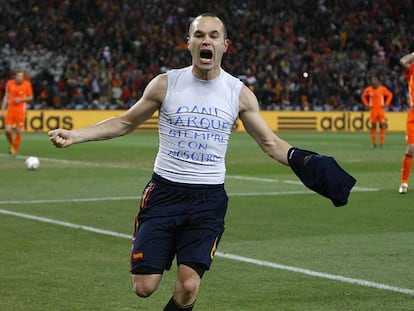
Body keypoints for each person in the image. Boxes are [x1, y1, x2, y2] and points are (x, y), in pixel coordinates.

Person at [48, 13, 355, 310]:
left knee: (187, 287)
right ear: (189, 43)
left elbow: (270, 144)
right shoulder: (166, 84)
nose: (205, 40)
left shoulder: (239, 94)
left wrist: (306, 162)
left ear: (225, 45)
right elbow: (125, 122)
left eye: (213, 35)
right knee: (144, 287)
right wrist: (76, 136)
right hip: (164, 193)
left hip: (208, 200)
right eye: (198, 35)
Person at [1, 69, 33, 155]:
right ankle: (12, 144)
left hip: (20, 110)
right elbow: (6, 96)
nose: (20, 78)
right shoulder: (9, 83)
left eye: (21, 76)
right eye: (18, 76)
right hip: (10, 109)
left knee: (19, 130)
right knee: (7, 130)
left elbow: (30, 97)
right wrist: (3, 108)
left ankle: (14, 149)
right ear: (15, 76)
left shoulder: (27, 84)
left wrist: (21, 99)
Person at [361, 76, 393, 148]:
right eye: (372, 81)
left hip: (380, 109)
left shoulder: (382, 89)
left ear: (378, 82)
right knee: (373, 126)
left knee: (382, 125)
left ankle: (382, 143)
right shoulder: (368, 89)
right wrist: (366, 104)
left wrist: (387, 104)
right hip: (373, 110)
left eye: (375, 81)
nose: (373, 82)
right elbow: (363, 96)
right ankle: (374, 143)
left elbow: (390, 95)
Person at [398, 52, 414, 194]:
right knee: (410, 150)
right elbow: (403, 61)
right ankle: (404, 183)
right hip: (413, 115)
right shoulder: (412, 70)